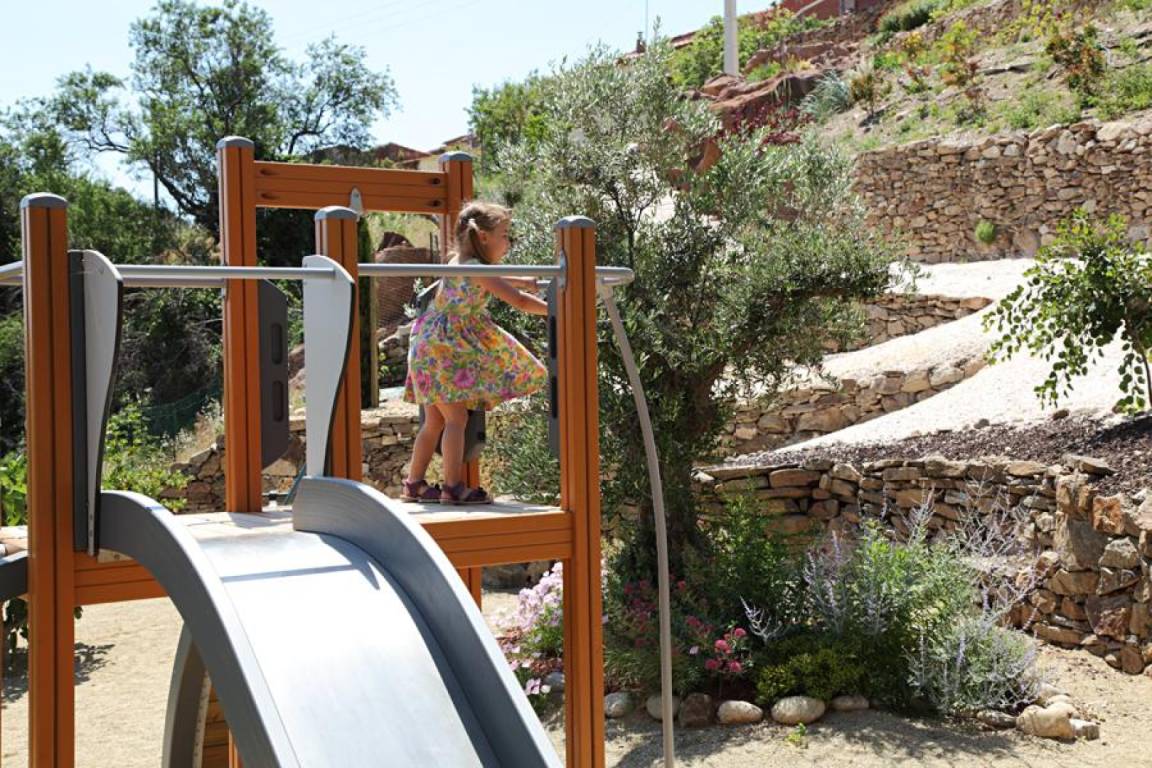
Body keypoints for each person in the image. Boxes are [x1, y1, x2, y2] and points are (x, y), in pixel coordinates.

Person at [401, 201, 548, 504]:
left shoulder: (458, 261)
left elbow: (495, 277)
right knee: (456, 418)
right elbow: (519, 301)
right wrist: (558, 310)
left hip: (428, 347)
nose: (508, 242)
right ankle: (452, 487)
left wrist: (522, 280)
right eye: (504, 235)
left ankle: (413, 484)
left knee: (435, 421)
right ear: (483, 237)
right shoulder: (476, 269)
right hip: (441, 350)